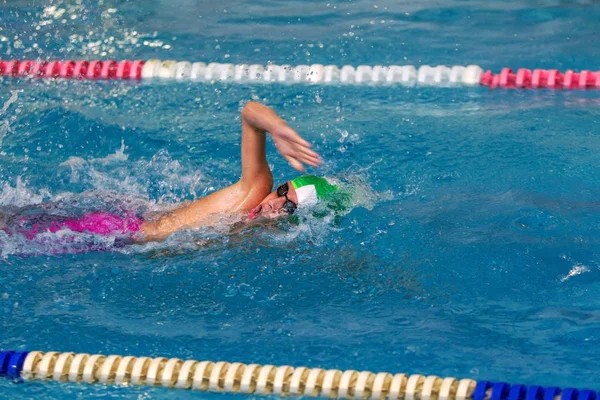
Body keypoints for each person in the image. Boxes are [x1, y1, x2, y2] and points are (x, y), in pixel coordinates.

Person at [1, 102, 343, 247]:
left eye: (289, 207)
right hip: (113, 232)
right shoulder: (252, 194)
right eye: (282, 190)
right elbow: (250, 112)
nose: (274, 203)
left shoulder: (259, 234)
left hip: (123, 231)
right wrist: (279, 129)